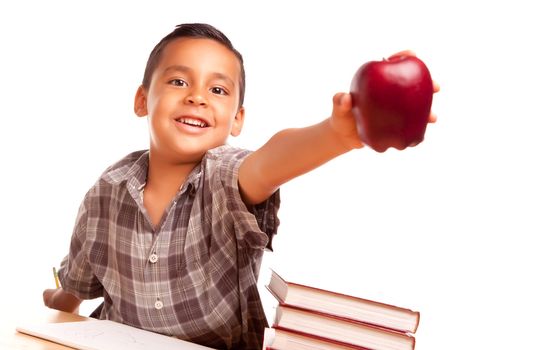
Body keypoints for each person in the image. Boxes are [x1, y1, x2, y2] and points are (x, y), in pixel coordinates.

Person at [43, 23, 438, 349]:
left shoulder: (225, 179)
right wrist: (62, 303)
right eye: (179, 81)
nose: (197, 97)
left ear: (237, 119)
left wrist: (337, 134)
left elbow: (270, 161)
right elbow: (79, 274)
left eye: (218, 90)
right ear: (143, 100)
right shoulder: (107, 190)